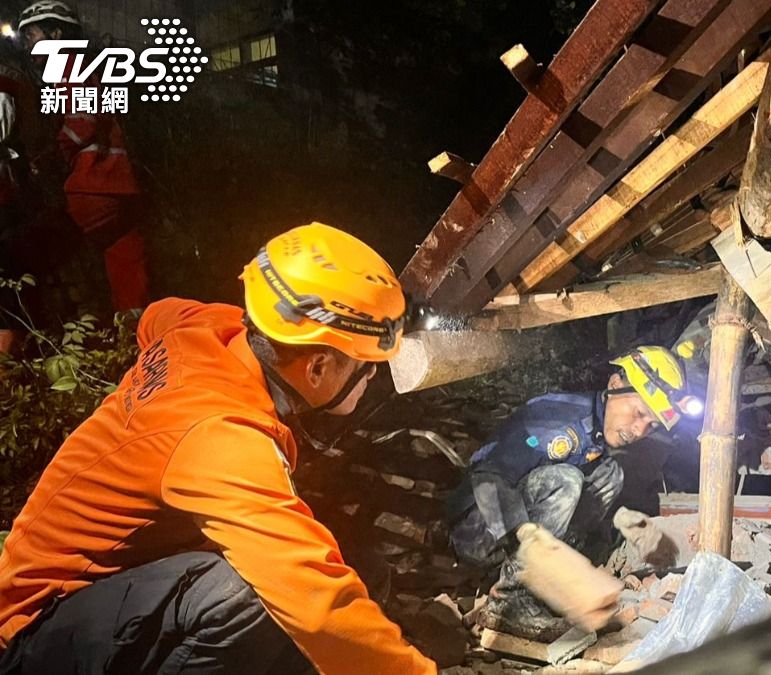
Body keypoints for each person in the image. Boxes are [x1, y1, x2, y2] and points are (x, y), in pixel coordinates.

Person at [0, 223, 435, 674]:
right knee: (246, 595)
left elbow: (154, 318)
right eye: (368, 366)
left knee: (353, 564)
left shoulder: (210, 327)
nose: (372, 377)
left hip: (97, 598)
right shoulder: (222, 440)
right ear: (318, 367)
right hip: (36, 633)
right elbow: (316, 602)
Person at [447, 345, 699, 640]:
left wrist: (620, 520)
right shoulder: (557, 418)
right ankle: (510, 603)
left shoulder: (597, 429)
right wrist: (524, 535)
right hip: (475, 530)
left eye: (651, 424)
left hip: (512, 537)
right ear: (614, 385)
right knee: (566, 481)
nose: (639, 430)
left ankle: (547, 585)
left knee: (610, 475)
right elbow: (487, 476)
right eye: (639, 412)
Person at [19, 0, 149, 312]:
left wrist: (48, 157)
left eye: (31, 35)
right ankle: (135, 325)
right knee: (126, 262)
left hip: (91, 186)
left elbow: (82, 121)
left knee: (30, 250)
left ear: (56, 33)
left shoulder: (67, 66)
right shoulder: (85, 66)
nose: (27, 44)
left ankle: (42, 319)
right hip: (119, 186)